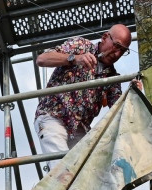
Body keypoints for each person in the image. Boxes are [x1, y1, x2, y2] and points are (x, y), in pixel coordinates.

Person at [33, 24, 131, 154]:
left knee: (86, 170)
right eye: (117, 46)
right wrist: (74, 58)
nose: (117, 53)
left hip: (80, 129)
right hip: (53, 116)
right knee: (61, 169)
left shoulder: (112, 78)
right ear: (105, 37)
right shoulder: (81, 45)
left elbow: (120, 111)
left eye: (123, 51)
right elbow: (42, 59)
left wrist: (133, 94)